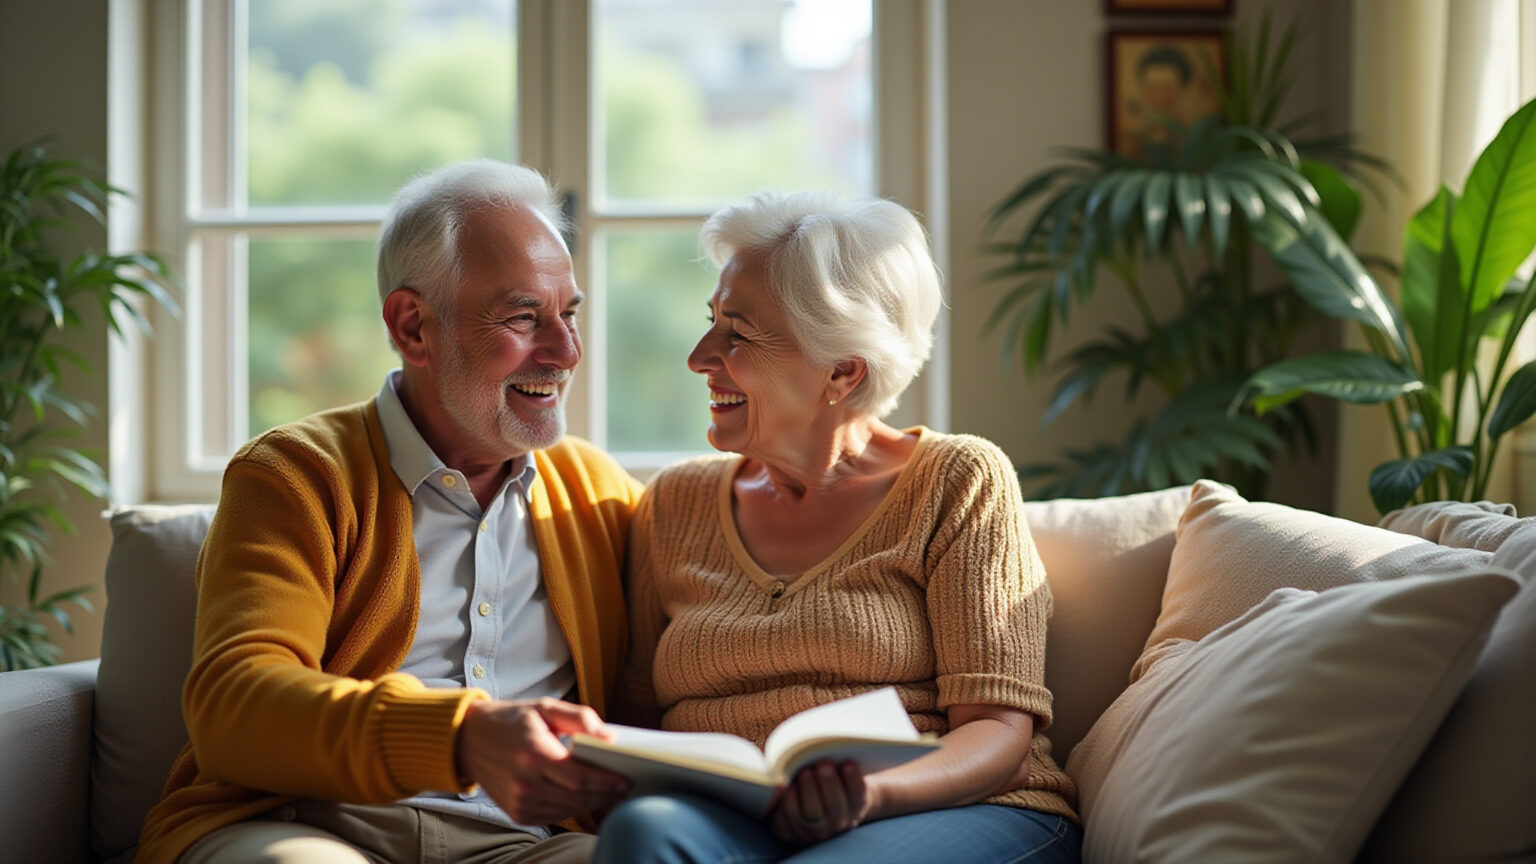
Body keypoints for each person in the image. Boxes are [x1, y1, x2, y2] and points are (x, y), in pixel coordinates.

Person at [135, 160, 642, 864]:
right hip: (307, 823)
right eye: (524, 317)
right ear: (413, 328)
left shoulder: (600, 493)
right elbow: (235, 704)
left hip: (521, 845)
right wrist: (461, 738)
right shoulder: (295, 474)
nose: (566, 352)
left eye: (570, 314)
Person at [593, 191, 1081, 864]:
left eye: (738, 334)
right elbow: (639, 722)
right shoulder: (674, 503)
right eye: (711, 322)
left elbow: (999, 735)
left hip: (955, 811)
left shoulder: (958, 480)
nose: (701, 356)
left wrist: (870, 800)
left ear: (842, 371)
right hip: (739, 821)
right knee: (643, 833)